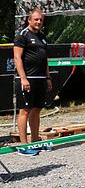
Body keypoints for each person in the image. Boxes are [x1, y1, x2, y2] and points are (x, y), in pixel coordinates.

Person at [13, 9, 51, 155]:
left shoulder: (42, 37)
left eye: (40, 20)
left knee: (37, 109)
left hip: (41, 79)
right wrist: (23, 78)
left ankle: (35, 141)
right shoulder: (22, 35)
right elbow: (17, 58)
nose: (38, 22)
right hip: (27, 79)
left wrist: (48, 77)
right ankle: (23, 146)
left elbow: (44, 59)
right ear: (29, 20)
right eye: (35, 19)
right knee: (25, 110)